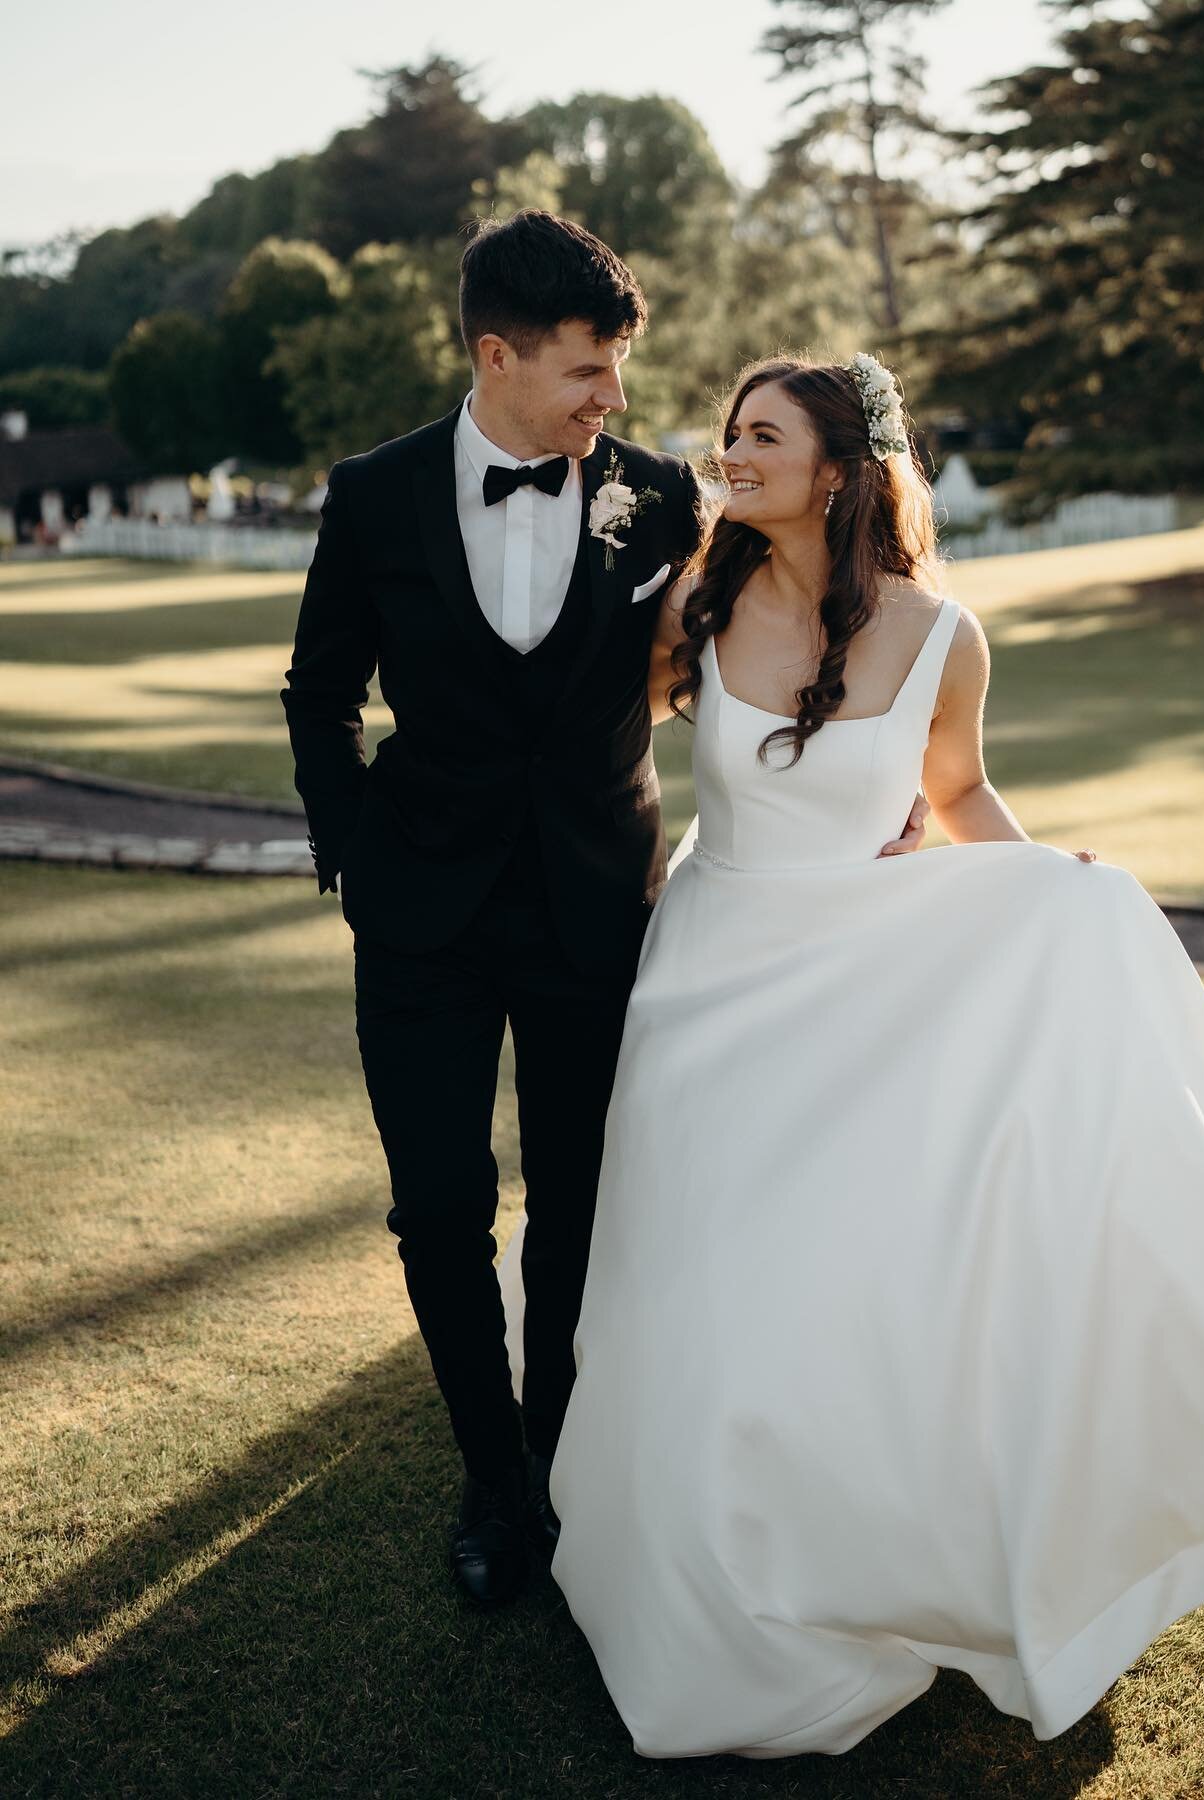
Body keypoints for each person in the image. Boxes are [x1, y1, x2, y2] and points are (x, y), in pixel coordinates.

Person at [502, 352, 1204, 1755]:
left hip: (869, 981)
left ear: (839, 469)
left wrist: (1059, 881)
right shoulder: (697, 596)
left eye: (763, 435)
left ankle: (867, 1542)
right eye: (728, 430)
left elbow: (959, 790)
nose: (732, 451)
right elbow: (582, 729)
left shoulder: (945, 634)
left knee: (852, 1277)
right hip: (712, 984)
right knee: (700, 1289)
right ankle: (703, 1558)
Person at [280, 212, 932, 1609]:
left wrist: (890, 798)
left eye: (620, 370)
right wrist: (355, 859)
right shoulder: (374, 494)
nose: (615, 402)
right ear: (497, 353)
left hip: (599, 913)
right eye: (588, 371)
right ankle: (491, 1484)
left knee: (579, 1207)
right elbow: (318, 695)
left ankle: (567, 1456)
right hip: (421, 923)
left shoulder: (663, 502)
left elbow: (798, 629)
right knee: (440, 1209)